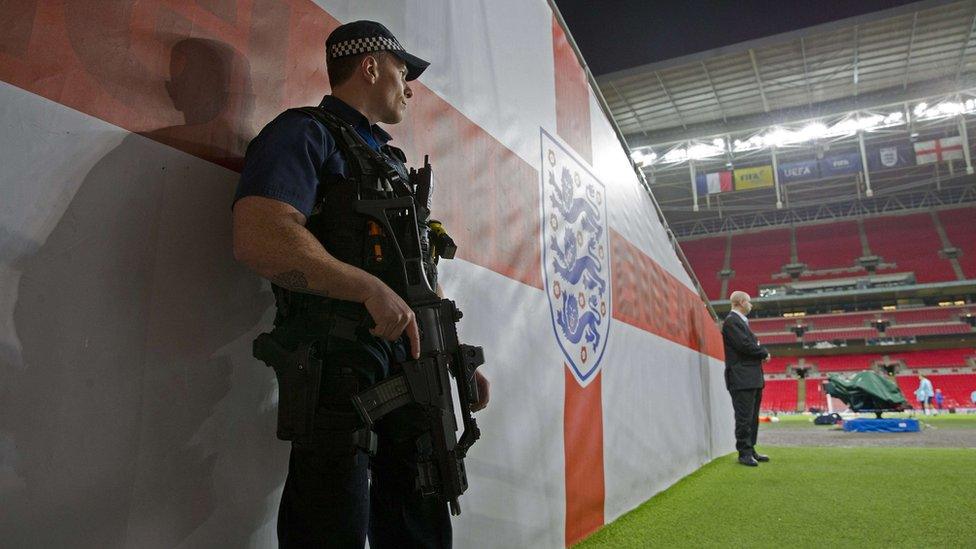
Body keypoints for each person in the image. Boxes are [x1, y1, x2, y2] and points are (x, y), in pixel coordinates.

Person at [232, 21, 489, 548]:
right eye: (402, 70)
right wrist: (365, 289)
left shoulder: (390, 161)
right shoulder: (306, 133)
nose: (410, 87)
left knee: (421, 517)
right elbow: (261, 237)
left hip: (415, 365)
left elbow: (417, 277)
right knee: (331, 524)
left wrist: (455, 359)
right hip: (340, 369)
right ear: (370, 66)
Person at [721, 291, 770, 467]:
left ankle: (751, 449)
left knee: (752, 417)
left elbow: (749, 346)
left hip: (751, 376)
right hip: (742, 377)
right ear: (741, 302)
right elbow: (744, 345)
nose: (751, 305)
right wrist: (763, 352)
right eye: (749, 302)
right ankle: (744, 452)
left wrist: (757, 349)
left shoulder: (740, 322)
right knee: (744, 417)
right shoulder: (731, 322)